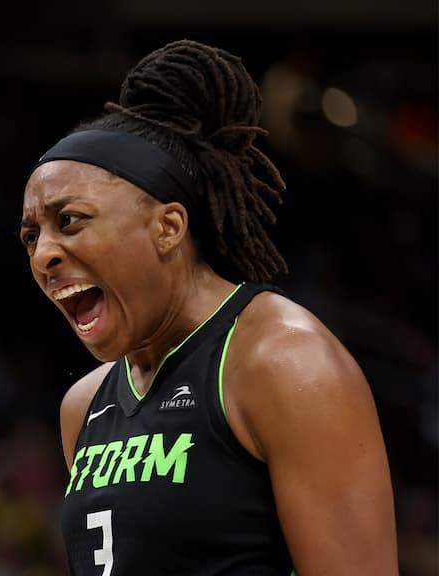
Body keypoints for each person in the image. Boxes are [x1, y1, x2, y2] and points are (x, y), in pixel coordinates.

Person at [20, 40, 397, 575]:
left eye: (70, 220)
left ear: (168, 227)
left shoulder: (283, 362)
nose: (43, 254)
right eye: (31, 236)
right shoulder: (83, 406)